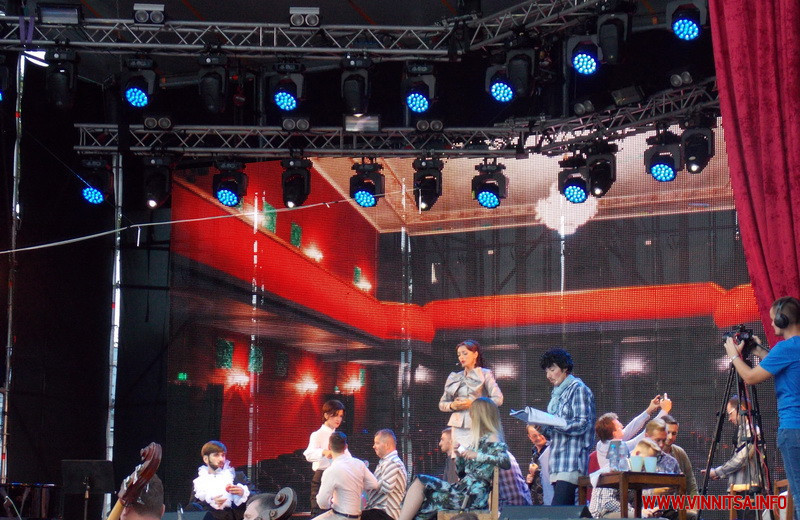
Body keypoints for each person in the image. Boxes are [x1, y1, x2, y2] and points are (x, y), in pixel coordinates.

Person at [724, 296, 800, 520]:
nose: (772, 323)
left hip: (793, 430)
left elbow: (749, 377)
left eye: (774, 319)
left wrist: (733, 355)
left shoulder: (786, 348)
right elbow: (784, 366)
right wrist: (758, 351)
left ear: (783, 320)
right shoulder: (792, 349)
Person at [396, 397, 511, 520]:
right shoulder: (477, 441)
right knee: (424, 490)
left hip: (471, 496)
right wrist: (460, 457)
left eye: (472, 415)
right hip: (463, 489)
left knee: (423, 484)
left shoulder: (493, 438)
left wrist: (476, 455)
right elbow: (461, 473)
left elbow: (505, 461)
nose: (470, 418)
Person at [538, 348, 596, 505]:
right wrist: (544, 426)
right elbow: (557, 428)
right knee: (565, 511)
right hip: (557, 461)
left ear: (564, 368)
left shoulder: (578, 389)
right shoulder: (558, 394)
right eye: (546, 371)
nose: (549, 375)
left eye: (552, 370)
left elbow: (582, 424)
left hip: (571, 460)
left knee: (559, 509)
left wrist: (556, 424)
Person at [439, 340, 504, 448]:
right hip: (458, 426)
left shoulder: (485, 373)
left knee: (477, 455)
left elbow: (498, 399)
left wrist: (474, 404)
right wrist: (452, 405)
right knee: (459, 455)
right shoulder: (454, 377)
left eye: (465, 353)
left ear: (475, 354)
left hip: (479, 424)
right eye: (459, 355)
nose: (461, 357)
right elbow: (442, 404)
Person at [594, 395, 671, 469]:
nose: (622, 426)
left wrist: (649, 410)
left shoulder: (602, 444)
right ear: (614, 433)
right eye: (619, 427)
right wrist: (664, 411)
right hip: (620, 477)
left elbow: (630, 428)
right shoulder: (615, 447)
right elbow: (642, 437)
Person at [314, 432, 379, 520]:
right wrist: (356, 486)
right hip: (357, 517)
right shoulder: (359, 464)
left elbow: (322, 503)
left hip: (339, 516)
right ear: (346, 447)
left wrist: (331, 502)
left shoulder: (331, 470)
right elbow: (374, 484)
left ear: (329, 447)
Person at [703, 397, 762, 493]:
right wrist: (719, 473)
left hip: (748, 489)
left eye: (730, 414)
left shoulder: (752, 431)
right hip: (740, 488)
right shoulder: (743, 431)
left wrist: (717, 472)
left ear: (741, 409)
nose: (729, 419)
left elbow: (741, 459)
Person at [304, 400, 348, 517]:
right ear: (326, 415)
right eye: (335, 415)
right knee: (319, 512)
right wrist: (324, 452)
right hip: (322, 475)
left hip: (338, 476)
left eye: (340, 416)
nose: (338, 419)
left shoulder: (339, 436)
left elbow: (347, 456)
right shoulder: (317, 434)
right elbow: (308, 454)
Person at [193, 441, 250, 520]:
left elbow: (257, 496)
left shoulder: (237, 476)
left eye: (223, 455)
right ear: (206, 459)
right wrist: (211, 501)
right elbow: (192, 509)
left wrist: (243, 493)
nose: (221, 459)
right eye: (216, 455)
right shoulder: (199, 482)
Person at [363, 429, 407, 520]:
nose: (374, 446)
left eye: (377, 443)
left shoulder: (393, 462)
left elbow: (387, 486)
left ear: (387, 445)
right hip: (378, 511)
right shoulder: (385, 462)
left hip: (386, 513)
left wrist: (369, 482)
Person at [661, 414, 698, 496]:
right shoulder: (648, 453)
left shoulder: (680, 452)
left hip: (677, 502)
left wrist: (695, 502)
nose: (670, 437)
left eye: (674, 433)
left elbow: (690, 482)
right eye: (668, 432)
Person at [525, 425, 552, 505]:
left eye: (540, 434)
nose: (538, 438)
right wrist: (530, 478)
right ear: (529, 437)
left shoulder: (551, 449)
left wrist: (538, 470)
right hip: (536, 499)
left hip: (548, 499)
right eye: (534, 436)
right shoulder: (534, 452)